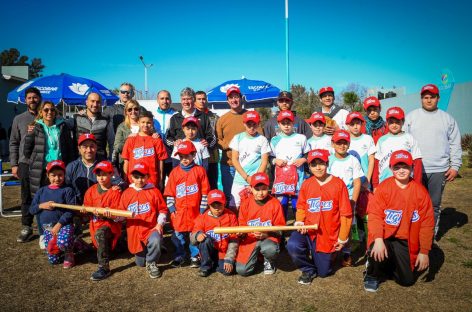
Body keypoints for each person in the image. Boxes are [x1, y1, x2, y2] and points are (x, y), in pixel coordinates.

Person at [363, 150, 434, 292]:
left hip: (405, 239)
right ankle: (371, 273)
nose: (401, 170)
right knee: (377, 249)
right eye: (397, 167)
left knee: (406, 281)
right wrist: (377, 240)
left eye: (405, 166)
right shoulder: (383, 188)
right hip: (384, 236)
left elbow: (427, 224)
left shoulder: (420, 192)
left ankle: (388, 263)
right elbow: (375, 216)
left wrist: (424, 251)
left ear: (412, 167)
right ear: (391, 168)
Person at [404, 84, 462, 237]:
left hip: (438, 170)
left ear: (438, 98)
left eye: (432, 97)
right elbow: (403, 142)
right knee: (414, 204)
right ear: (421, 99)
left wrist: (455, 166)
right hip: (415, 169)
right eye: (425, 97)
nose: (428, 100)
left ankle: (430, 235)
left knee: (434, 205)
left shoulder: (447, 119)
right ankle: (413, 234)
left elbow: (455, 143)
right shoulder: (411, 117)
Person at [287, 149, 352, 284]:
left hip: (327, 233)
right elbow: (301, 207)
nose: (318, 167)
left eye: (321, 163)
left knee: (324, 272)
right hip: (308, 230)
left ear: (327, 163)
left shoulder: (338, 184)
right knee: (293, 245)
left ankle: (330, 255)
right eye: (314, 164)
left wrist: (342, 238)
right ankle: (308, 269)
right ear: (309, 167)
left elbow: (346, 214)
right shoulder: (307, 184)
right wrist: (300, 222)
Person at [164, 141, 210, 268]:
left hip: (195, 211)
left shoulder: (200, 171)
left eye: (187, 156)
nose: (184, 159)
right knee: (178, 235)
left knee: (193, 234)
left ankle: (195, 255)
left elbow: (205, 192)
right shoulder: (174, 172)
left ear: (194, 155)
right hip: (179, 212)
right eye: (181, 157)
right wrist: (171, 208)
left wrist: (202, 209)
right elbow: (169, 193)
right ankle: (180, 255)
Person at [118, 162, 168, 278]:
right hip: (134, 232)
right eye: (136, 177)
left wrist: (159, 225)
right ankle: (153, 250)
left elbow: (163, 210)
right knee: (140, 263)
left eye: (143, 177)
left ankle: (152, 262)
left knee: (155, 240)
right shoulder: (126, 193)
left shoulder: (154, 191)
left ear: (148, 177)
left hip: (150, 229)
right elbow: (121, 215)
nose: (139, 180)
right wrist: (112, 215)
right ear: (131, 177)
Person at [236, 172, 286, 276]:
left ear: (268, 187)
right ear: (251, 188)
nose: (260, 193)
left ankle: (269, 260)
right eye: (257, 189)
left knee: (270, 249)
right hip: (250, 238)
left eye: (263, 189)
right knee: (242, 271)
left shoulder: (275, 203)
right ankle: (256, 257)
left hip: (268, 238)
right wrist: (241, 232)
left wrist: (266, 234)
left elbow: (280, 229)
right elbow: (242, 224)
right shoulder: (245, 204)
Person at [29, 160, 77, 268]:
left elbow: (71, 211)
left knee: (63, 242)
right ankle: (74, 244)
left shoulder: (68, 190)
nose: (57, 178)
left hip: (63, 225)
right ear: (47, 175)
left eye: (60, 175)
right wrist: (42, 205)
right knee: (54, 260)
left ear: (64, 175)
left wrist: (59, 225)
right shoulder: (41, 191)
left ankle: (69, 252)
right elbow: (32, 209)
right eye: (53, 175)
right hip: (48, 228)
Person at [24, 101, 75, 196]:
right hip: (42, 170)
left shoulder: (62, 127)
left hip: (59, 169)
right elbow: (27, 151)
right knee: (42, 197)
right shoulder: (35, 128)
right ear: (41, 112)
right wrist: (35, 159)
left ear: (55, 112)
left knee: (59, 196)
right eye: (46, 110)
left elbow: (69, 148)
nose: (49, 112)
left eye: (52, 109)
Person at [328, 130, 364, 267]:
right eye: (339, 143)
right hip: (332, 200)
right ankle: (332, 251)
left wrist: (353, 201)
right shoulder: (329, 160)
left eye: (345, 143)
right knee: (333, 226)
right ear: (333, 144)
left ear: (349, 144)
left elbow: (357, 182)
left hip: (348, 199)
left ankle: (346, 253)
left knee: (347, 227)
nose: (342, 146)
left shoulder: (353, 160)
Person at [10, 87, 41, 243]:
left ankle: (44, 226)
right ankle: (26, 226)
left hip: (43, 163)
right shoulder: (19, 119)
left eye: (35, 97)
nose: (32, 100)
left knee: (44, 194)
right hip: (25, 163)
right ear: (25, 100)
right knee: (26, 196)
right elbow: (14, 143)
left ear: (39, 98)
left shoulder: (47, 115)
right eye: (29, 98)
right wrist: (14, 164)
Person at [82, 161, 122, 281]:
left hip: (110, 227)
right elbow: (86, 209)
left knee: (101, 234)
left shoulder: (115, 192)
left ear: (111, 174)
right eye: (99, 175)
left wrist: (111, 214)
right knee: (98, 239)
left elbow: (120, 215)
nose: (101, 178)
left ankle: (104, 268)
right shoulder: (91, 190)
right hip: (95, 225)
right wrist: (86, 211)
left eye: (105, 174)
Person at [216, 86, 253, 203]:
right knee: (230, 197)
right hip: (229, 165)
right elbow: (217, 140)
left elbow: (259, 136)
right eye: (231, 97)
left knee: (249, 196)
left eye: (236, 97)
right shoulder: (222, 119)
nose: (234, 100)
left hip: (248, 164)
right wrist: (231, 145)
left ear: (241, 98)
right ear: (227, 100)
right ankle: (232, 220)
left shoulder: (250, 116)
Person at [270, 110, 309, 218]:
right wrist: (275, 161)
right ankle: (281, 232)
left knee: (298, 206)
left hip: (298, 180)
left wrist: (303, 160)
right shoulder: (274, 140)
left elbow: (308, 154)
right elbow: (270, 157)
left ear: (293, 123)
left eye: (289, 123)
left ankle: (299, 230)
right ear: (279, 124)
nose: (286, 126)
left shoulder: (301, 138)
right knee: (281, 205)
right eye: (283, 123)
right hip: (281, 181)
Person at [190, 190, 239, 277]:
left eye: (219, 204)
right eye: (213, 205)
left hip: (224, 252)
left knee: (227, 271)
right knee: (205, 240)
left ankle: (216, 264)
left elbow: (234, 239)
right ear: (209, 205)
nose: (217, 208)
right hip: (209, 251)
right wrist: (197, 235)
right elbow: (193, 237)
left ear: (225, 203)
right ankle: (205, 266)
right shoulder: (203, 217)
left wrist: (229, 259)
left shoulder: (231, 216)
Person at [66, 134, 125, 204]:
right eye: (85, 147)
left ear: (96, 147)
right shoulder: (71, 167)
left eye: (92, 146)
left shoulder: (107, 164)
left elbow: (120, 183)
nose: (89, 150)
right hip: (78, 209)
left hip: (101, 208)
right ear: (79, 148)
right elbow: (66, 189)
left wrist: (120, 186)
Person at [373, 107, 422, 189]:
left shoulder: (409, 138)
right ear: (387, 123)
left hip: (406, 183)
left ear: (403, 122)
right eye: (391, 122)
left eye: (397, 122)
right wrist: (375, 185)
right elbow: (376, 163)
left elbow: (417, 162)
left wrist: (417, 184)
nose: (394, 125)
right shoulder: (382, 140)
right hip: (385, 182)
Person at [229, 111, 270, 209]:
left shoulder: (262, 139)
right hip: (240, 179)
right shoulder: (237, 138)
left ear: (258, 124)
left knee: (254, 206)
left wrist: (255, 179)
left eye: (254, 124)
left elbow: (264, 161)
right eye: (248, 124)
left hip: (256, 181)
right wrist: (246, 177)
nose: (251, 127)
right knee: (234, 206)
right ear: (244, 124)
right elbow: (234, 159)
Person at [165, 87, 216, 160]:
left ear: (194, 100)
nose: (186, 102)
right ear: (181, 101)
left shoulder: (204, 116)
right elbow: (167, 138)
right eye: (183, 99)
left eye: (188, 99)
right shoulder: (174, 118)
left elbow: (212, 136)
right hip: (181, 160)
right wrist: (174, 143)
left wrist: (207, 142)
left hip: (199, 159)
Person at [122, 111, 168, 190]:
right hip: (134, 180)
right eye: (143, 122)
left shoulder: (156, 140)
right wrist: (125, 179)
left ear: (152, 123)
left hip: (151, 180)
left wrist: (160, 180)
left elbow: (161, 162)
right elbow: (126, 161)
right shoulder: (131, 140)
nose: (145, 125)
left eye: (148, 122)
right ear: (138, 122)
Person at [67, 92, 115, 159]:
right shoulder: (76, 118)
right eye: (92, 101)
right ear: (86, 102)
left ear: (101, 104)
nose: (95, 104)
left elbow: (112, 143)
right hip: (80, 161)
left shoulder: (106, 121)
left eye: (98, 102)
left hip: (99, 161)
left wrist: (111, 162)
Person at [195, 90, 220, 189]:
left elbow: (218, 135)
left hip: (212, 157)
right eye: (199, 99)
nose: (202, 101)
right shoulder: (191, 115)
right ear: (194, 101)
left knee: (212, 184)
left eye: (204, 99)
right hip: (196, 158)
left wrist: (208, 144)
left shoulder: (214, 117)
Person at [152, 90, 177, 180]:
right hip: (157, 156)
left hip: (172, 155)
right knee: (158, 183)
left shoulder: (176, 115)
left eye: (167, 98)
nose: (164, 101)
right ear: (157, 100)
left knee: (174, 182)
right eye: (162, 98)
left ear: (170, 100)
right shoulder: (152, 116)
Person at [112, 99, 141, 174]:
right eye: (130, 109)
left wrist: (156, 135)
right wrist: (128, 139)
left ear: (139, 110)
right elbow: (117, 147)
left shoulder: (145, 124)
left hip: (142, 162)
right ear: (126, 112)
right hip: (126, 163)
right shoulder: (122, 127)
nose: (133, 111)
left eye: (136, 109)